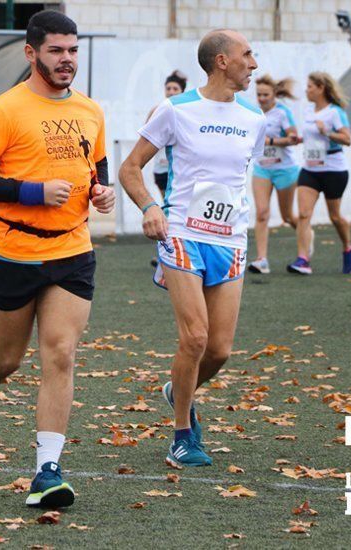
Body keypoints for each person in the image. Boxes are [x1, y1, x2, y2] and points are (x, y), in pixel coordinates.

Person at [0, 10, 114, 509]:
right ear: (31, 53)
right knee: (6, 359)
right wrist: (33, 191)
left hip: (72, 250)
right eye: (57, 51)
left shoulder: (90, 110)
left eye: (73, 50)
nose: (67, 60)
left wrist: (100, 193)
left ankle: (47, 471)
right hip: (12, 252)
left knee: (60, 353)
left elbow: (94, 166)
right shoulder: (5, 109)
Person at [118, 29, 266, 468]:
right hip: (182, 234)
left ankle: (176, 389)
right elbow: (130, 169)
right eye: (247, 55)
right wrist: (149, 206)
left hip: (230, 240)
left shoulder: (255, 119)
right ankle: (183, 434)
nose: (254, 64)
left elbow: (238, 176)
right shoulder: (175, 110)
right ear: (221, 61)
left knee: (219, 350)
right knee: (196, 338)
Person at [287, 71, 351, 275]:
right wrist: (299, 139)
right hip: (310, 170)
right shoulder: (308, 111)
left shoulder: (335, 112)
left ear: (320, 88)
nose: (306, 90)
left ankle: (348, 247)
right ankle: (303, 259)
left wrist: (326, 131)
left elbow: (347, 139)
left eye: (310, 86)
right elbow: (311, 138)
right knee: (303, 214)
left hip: (334, 170)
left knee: (335, 216)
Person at [247, 75, 302, 274]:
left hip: (285, 169)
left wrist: (271, 142)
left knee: (287, 216)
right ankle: (262, 260)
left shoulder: (282, 113)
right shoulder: (253, 113)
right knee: (262, 213)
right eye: (259, 94)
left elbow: (293, 138)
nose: (261, 98)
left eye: (265, 95)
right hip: (262, 169)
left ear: (274, 94)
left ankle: (306, 236)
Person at [148, 70, 187, 268]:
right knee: (166, 210)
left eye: (175, 88)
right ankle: (167, 251)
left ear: (182, 91)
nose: (171, 91)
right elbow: (146, 135)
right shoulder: (158, 110)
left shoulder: (187, 112)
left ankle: (173, 250)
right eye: (168, 88)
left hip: (179, 172)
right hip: (161, 170)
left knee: (174, 211)